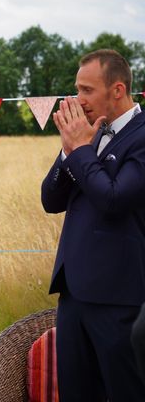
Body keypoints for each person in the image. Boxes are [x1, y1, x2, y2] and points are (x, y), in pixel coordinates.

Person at [41, 49, 145, 400]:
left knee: (124, 392)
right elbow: (50, 200)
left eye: (87, 90)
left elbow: (114, 199)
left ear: (117, 90)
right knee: (76, 392)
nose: (77, 100)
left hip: (121, 299)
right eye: (76, 89)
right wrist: (69, 151)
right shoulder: (87, 135)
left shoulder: (142, 137)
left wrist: (82, 150)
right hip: (74, 294)